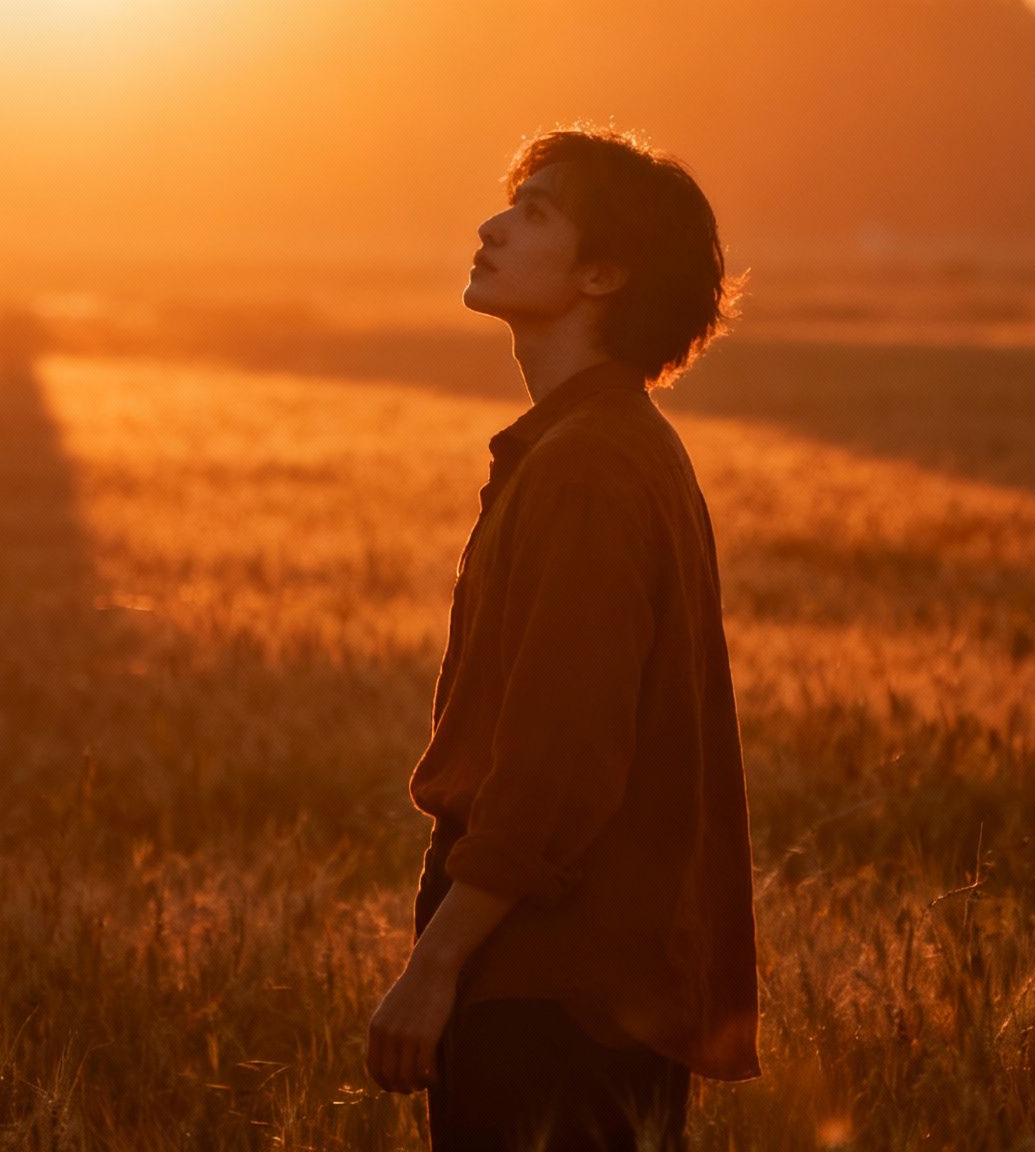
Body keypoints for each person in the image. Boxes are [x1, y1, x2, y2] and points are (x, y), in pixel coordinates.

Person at [364, 125, 761, 1151]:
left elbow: (557, 763)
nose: (493, 224)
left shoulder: (587, 468)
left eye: (534, 211)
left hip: (552, 986)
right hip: (584, 979)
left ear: (602, 273)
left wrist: (437, 964)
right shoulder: (607, 447)